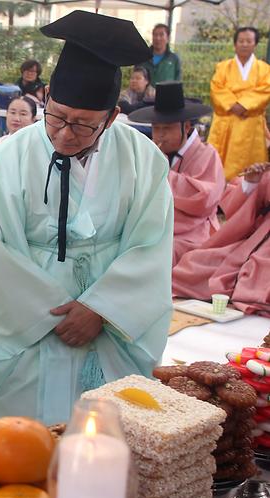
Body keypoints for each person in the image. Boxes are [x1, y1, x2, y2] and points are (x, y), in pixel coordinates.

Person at [0, 11, 173, 451]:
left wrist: (101, 308)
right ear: (45, 97)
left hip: (111, 316)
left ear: (112, 116)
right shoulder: (5, 160)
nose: (65, 135)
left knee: (117, 428)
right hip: (29, 316)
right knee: (20, 438)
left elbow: (151, 243)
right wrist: (50, 315)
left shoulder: (144, 159)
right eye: (57, 117)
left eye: (84, 124)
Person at [129, 81, 223, 265]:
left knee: (166, 255)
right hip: (154, 228)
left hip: (192, 232)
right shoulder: (149, 154)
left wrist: (161, 170)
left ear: (186, 127)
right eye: (156, 129)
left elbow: (204, 199)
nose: (160, 135)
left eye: (167, 128)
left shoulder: (206, 154)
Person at [172, 163, 270, 316]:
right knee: (196, 262)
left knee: (258, 268)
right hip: (256, 239)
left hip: (263, 248)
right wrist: (251, 182)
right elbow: (237, 212)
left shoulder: (206, 155)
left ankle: (250, 299)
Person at [207, 27, 270, 180]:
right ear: (235, 44)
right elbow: (216, 88)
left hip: (251, 123)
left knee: (252, 168)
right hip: (226, 122)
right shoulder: (223, 67)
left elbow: (266, 90)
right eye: (241, 41)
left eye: (249, 41)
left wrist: (244, 105)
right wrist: (233, 105)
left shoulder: (265, 69)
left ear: (255, 44)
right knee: (218, 169)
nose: (244, 44)